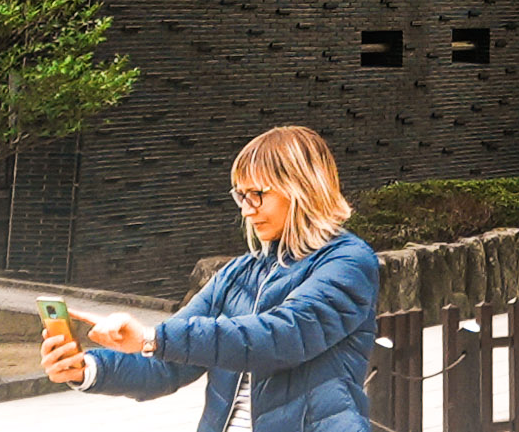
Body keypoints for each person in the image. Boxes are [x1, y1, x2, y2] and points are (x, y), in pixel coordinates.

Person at [41, 124, 382, 432]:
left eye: (257, 195)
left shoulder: (348, 261)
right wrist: (86, 369)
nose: (247, 209)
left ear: (301, 188)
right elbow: (168, 365)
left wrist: (151, 336)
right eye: (240, 196)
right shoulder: (236, 275)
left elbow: (283, 336)